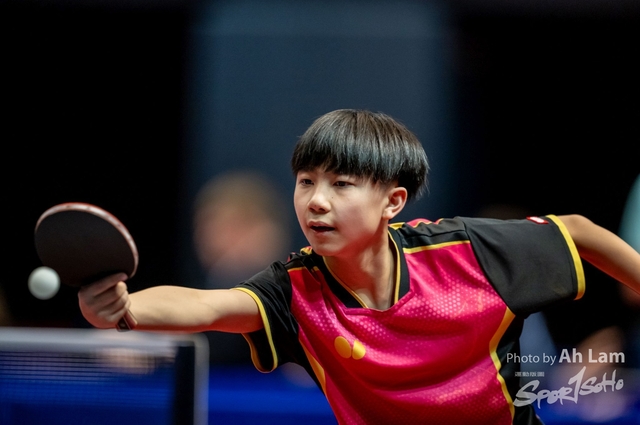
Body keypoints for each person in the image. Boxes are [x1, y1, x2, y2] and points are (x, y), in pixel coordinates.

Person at [78, 109, 640, 425]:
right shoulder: (295, 287)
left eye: (341, 184)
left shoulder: (466, 252)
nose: (316, 201)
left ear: (393, 202)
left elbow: (579, 232)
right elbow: (209, 305)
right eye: (306, 182)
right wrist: (125, 309)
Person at [191, 171, 291, 364]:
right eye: (207, 223)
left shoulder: (301, 305)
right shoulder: (195, 295)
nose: (214, 236)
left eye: (238, 225)